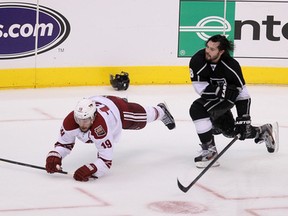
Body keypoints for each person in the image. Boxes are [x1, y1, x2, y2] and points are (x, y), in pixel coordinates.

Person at [188, 34, 279, 168]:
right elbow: (199, 87)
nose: (208, 51)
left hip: (227, 100)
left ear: (221, 51)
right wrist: (218, 91)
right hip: (211, 98)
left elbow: (243, 93)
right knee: (230, 131)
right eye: (207, 47)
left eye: (212, 49)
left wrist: (244, 118)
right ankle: (262, 131)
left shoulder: (231, 66)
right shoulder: (198, 60)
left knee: (197, 109)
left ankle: (210, 152)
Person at [45, 95, 175, 181]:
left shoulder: (100, 128)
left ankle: (161, 110)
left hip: (117, 109)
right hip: (99, 102)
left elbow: (106, 161)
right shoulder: (70, 121)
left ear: (94, 117)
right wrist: (56, 155)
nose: (82, 124)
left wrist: (92, 168)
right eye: (79, 119)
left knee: (141, 119)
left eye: (86, 120)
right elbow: (64, 144)